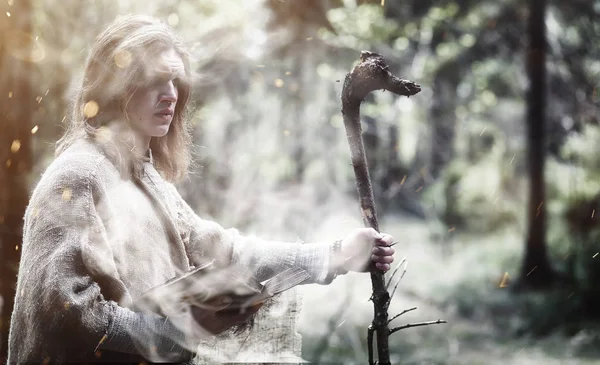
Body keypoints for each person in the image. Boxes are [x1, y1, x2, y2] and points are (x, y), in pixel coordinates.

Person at [6, 14, 395, 364]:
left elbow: (223, 252)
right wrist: (185, 332)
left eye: (174, 80)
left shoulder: (144, 174)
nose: (171, 94)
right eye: (153, 80)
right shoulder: (77, 175)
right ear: (113, 86)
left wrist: (336, 254)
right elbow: (68, 315)